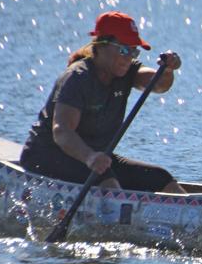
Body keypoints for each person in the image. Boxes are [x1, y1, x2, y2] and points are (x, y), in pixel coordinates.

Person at [20, 11, 186, 194]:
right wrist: (90, 157)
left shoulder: (126, 71)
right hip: (47, 155)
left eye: (133, 51)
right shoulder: (78, 78)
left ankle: (188, 212)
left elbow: (159, 84)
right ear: (101, 46)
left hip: (95, 159)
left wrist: (167, 70)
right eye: (124, 50)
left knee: (161, 178)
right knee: (106, 181)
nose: (128, 58)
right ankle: (116, 210)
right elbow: (62, 131)